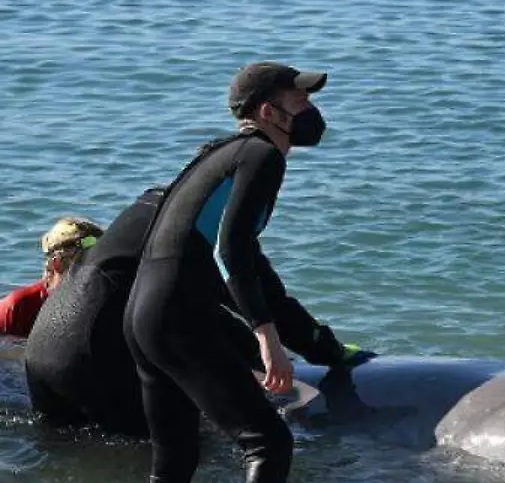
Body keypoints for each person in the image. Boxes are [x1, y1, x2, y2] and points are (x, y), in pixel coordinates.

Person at [122, 61, 335, 483]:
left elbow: (230, 257)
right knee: (269, 444)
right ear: (268, 111)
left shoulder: (218, 153)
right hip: (176, 314)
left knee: (175, 453)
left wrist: (310, 337)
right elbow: (231, 251)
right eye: (299, 100)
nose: (311, 110)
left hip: (143, 314)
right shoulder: (262, 155)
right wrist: (268, 340)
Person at [24, 186, 373, 436]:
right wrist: (328, 350)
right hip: (90, 360)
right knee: (189, 447)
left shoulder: (148, 209)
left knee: (69, 452)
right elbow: (263, 303)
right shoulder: (207, 229)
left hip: (41, 356)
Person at [0, 217, 104, 339]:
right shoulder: (18, 308)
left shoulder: (103, 302)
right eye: (86, 263)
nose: (95, 270)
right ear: (57, 264)